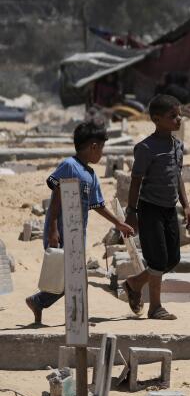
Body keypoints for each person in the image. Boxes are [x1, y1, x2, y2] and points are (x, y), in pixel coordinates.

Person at [26, 122, 134, 325]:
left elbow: (98, 205)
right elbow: (56, 196)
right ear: (93, 146)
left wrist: (119, 224)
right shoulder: (69, 166)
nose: (101, 154)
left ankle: (42, 303)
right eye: (101, 148)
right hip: (61, 232)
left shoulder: (91, 175)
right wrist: (52, 230)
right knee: (73, 278)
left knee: (74, 278)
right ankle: (62, 312)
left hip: (78, 232)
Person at [123, 94, 190, 321]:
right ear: (156, 120)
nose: (179, 119)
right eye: (173, 116)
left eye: (179, 114)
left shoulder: (177, 146)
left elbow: (178, 177)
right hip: (150, 208)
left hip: (169, 209)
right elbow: (136, 180)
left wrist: (186, 205)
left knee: (172, 259)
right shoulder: (146, 148)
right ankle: (155, 307)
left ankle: (135, 283)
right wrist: (131, 212)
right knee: (157, 259)